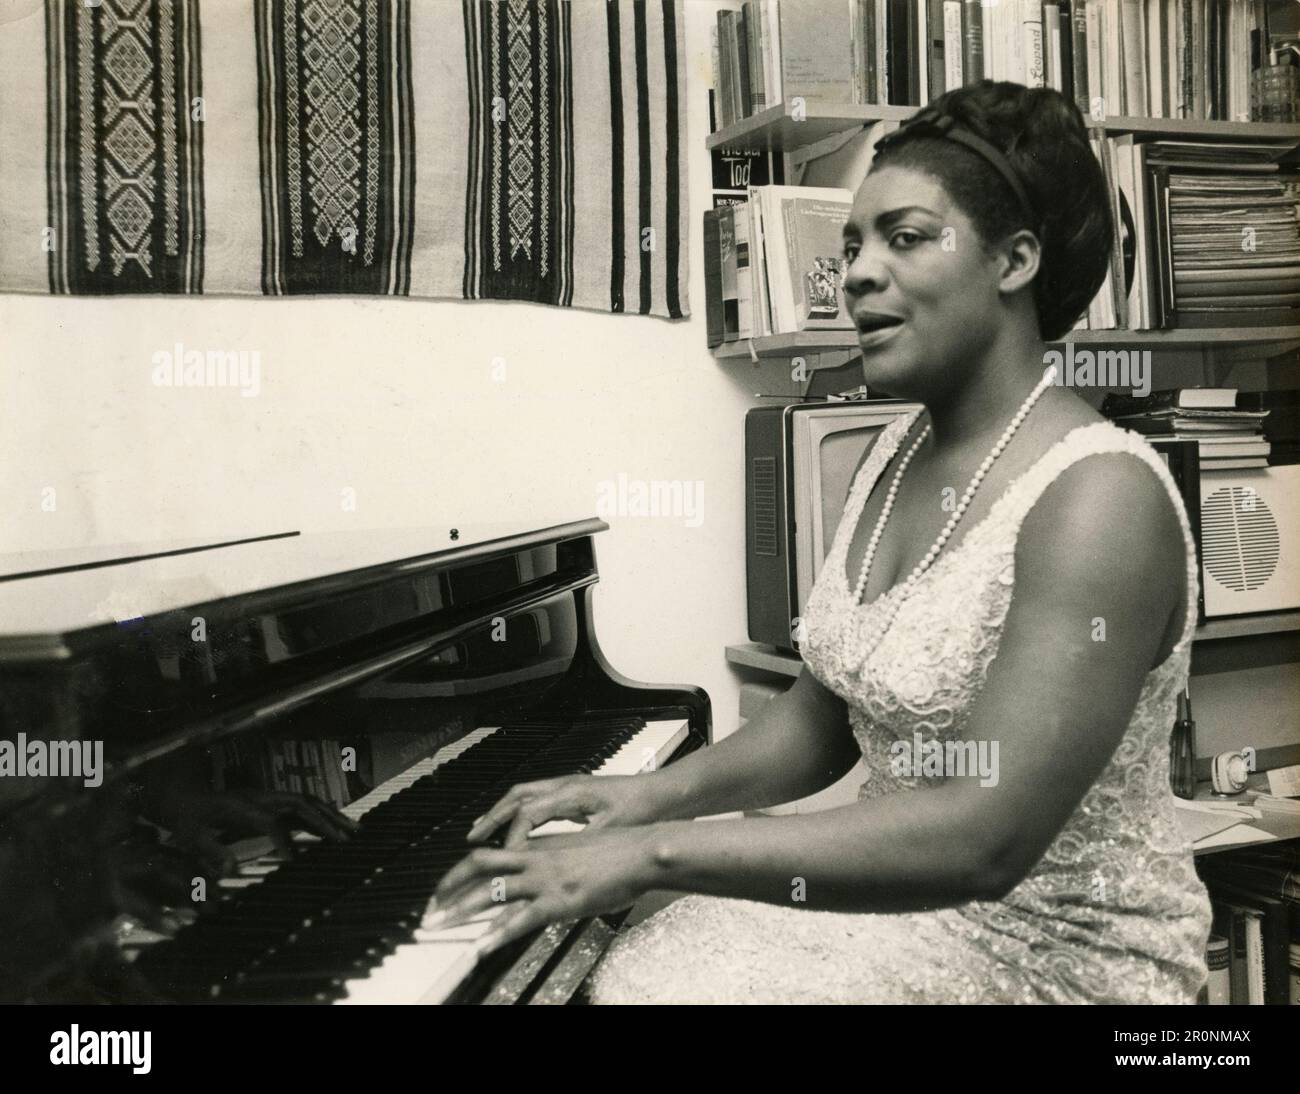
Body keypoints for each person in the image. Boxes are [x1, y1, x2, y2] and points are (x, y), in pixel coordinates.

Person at [430, 81, 1213, 1004]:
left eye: (906, 237)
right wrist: (633, 799)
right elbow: (817, 724)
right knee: (621, 968)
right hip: (911, 918)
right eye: (851, 245)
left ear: (1015, 261)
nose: (857, 273)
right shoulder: (893, 451)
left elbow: (985, 836)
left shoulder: (1099, 497)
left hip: (1058, 954)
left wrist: (647, 854)